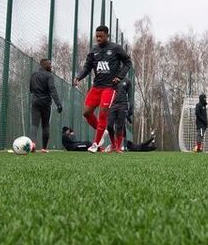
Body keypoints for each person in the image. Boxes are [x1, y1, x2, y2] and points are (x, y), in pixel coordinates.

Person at [73, 25, 132, 153]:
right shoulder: (94, 50)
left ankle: (95, 144)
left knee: (103, 112)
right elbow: (87, 67)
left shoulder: (115, 48)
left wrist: (119, 77)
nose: (98, 38)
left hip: (109, 88)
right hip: (96, 86)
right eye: (97, 36)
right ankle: (103, 131)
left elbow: (128, 63)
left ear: (107, 35)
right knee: (87, 113)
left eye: (101, 36)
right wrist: (78, 77)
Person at [28, 58, 63, 153]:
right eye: (50, 64)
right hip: (46, 103)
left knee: (34, 124)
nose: (51, 66)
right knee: (45, 125)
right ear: (44, 65)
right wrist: (58, 104)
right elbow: (52, 89)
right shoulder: (49, 75)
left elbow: (31, 89)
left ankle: (32, 144)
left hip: (35, 102)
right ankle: (44, 148)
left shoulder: (33, 75)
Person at [107, 77, 132, 153]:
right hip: (112, 105)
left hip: (123, 105)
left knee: (120, 126)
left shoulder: (127, 81)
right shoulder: (111, 78)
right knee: (109, 126)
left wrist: (131, 107)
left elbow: (130, 95)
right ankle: (113, 145)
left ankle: (118, 147)